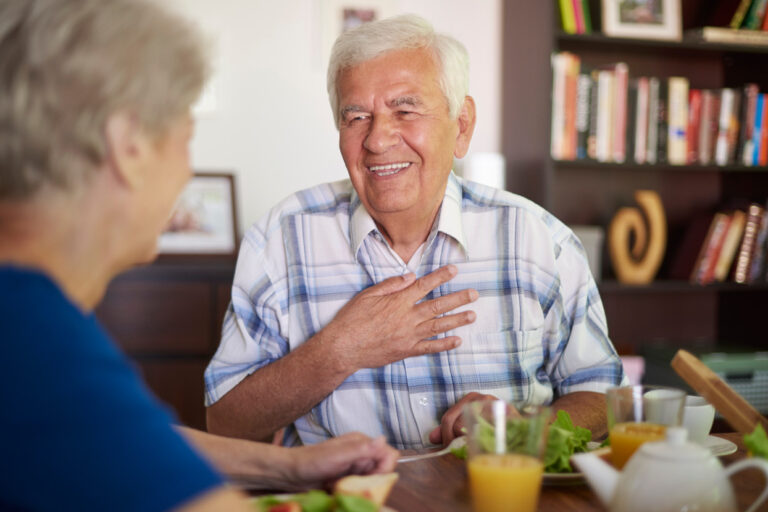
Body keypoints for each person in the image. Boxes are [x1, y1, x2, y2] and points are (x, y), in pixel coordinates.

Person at [0, 0, 398, 510]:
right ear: (129, 147)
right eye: (187, 139)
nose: (188, 174)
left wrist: (288, 466)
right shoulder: (32, 342)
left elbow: (127, 440)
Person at [205, 14, 626, 451]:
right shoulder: (279, 240)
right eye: (356, 118)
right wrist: (339, 351)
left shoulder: (539, 240)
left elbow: (606, 396)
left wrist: (523, 426)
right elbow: (225, 423)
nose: (377, 139)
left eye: (405, 111)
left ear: (461, 125)